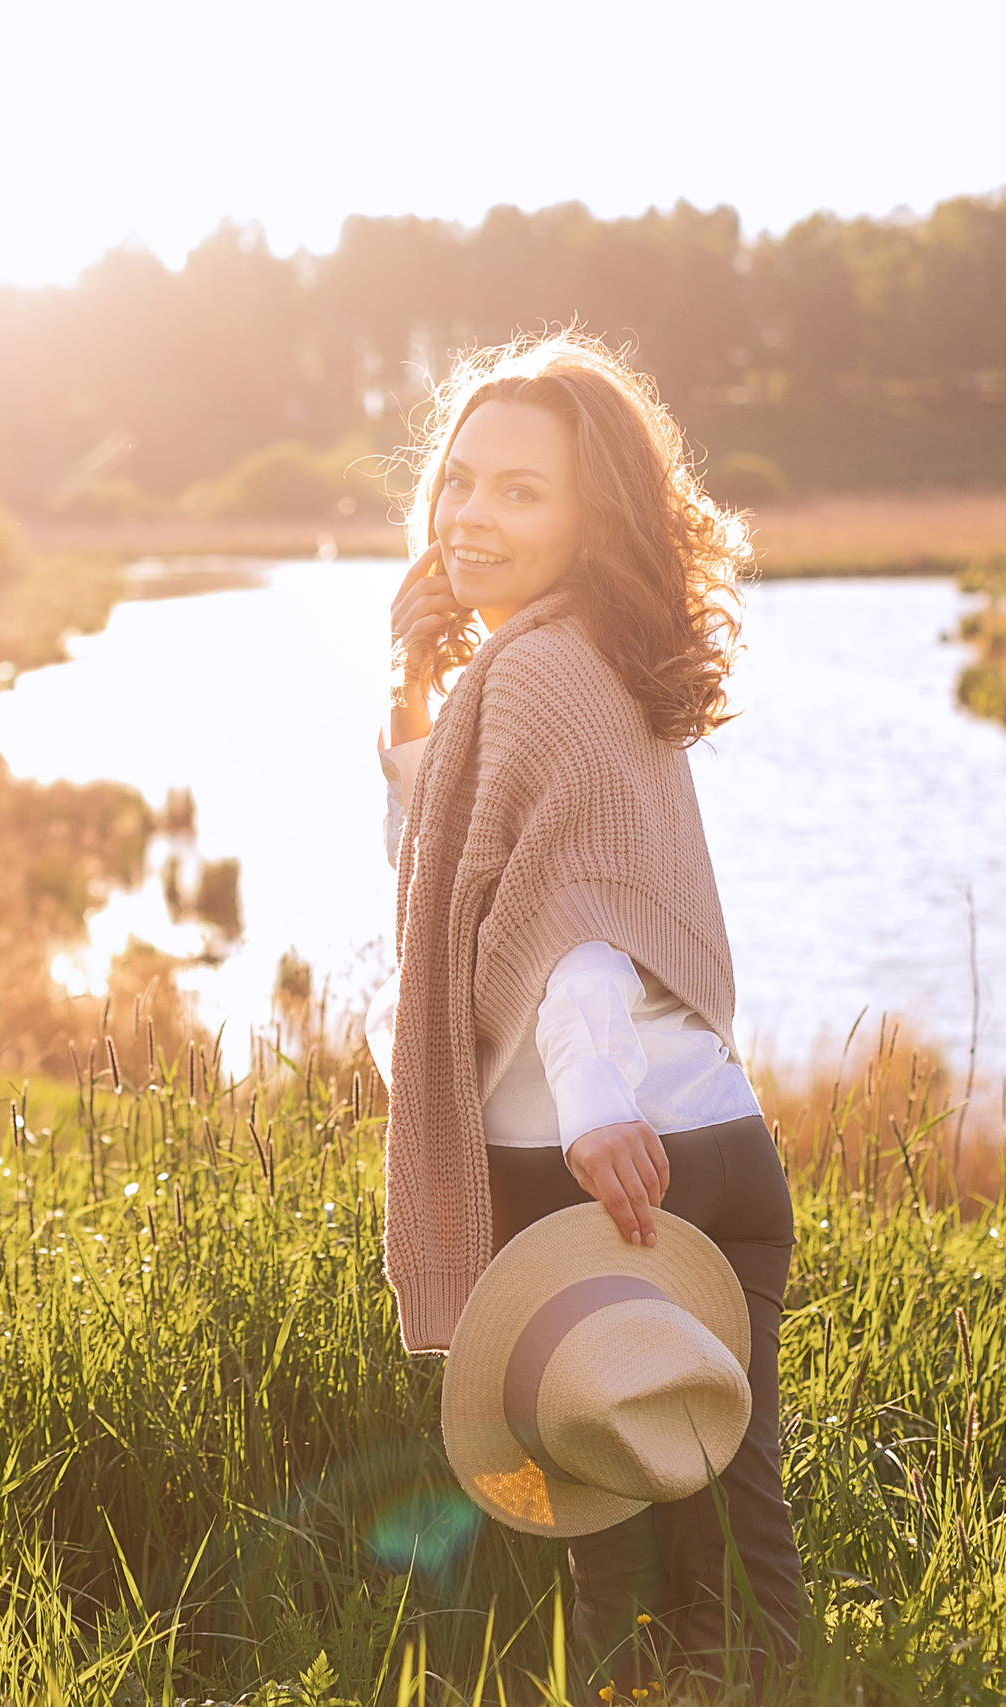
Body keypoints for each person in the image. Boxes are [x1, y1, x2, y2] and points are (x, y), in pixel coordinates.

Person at [363, 331, 802, 1696]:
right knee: (727, 1489)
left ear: (591, 515)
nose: (471, 518)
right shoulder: (598, 656)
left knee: (599, 1511)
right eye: (462, 483)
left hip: (596, 1152)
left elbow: (571, 927)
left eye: (521, 493)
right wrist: (419, 700)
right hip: (719, 1138)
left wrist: (600, 1108)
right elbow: (472, 867)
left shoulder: (539, 675)